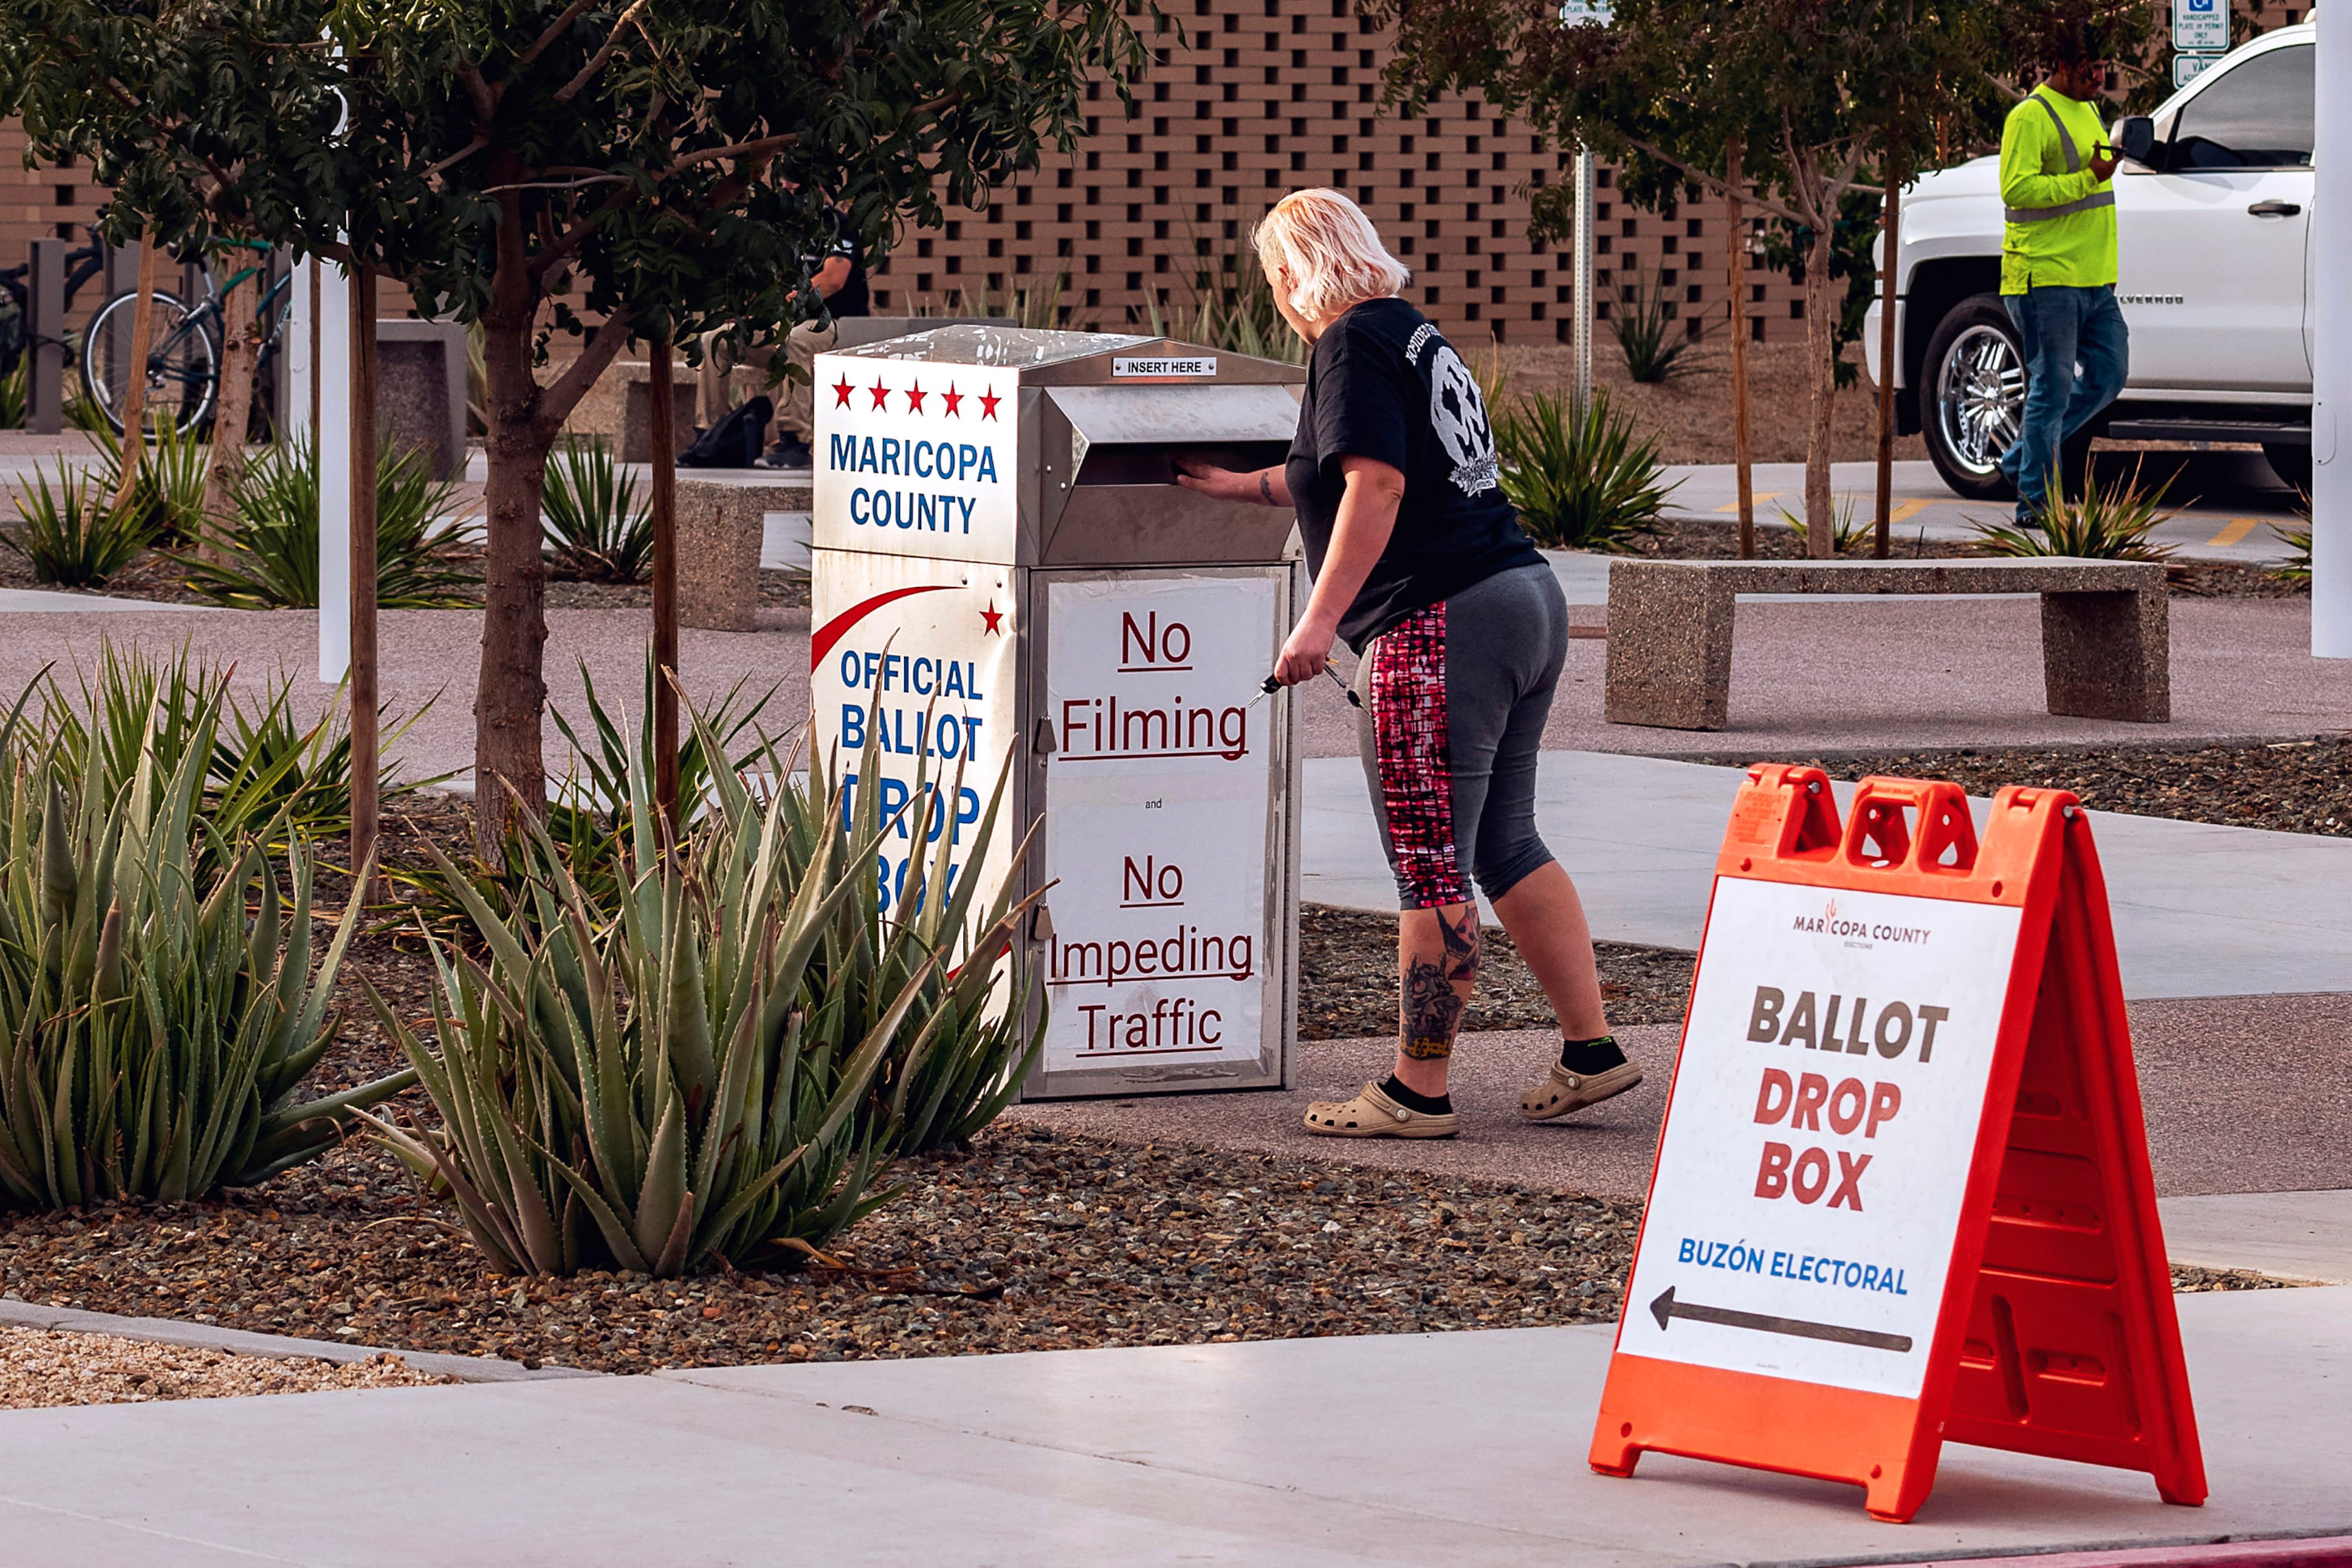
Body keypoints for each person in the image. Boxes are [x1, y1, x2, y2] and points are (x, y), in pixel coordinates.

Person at [1175, 188, 1637, 1140]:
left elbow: (1375, 485)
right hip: (1520, 598)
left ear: (1296, 272)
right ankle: (1591, 1049)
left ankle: (1414, 1092)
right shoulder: (1410, 335)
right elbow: (1332, 471)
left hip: (1438, 623)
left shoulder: (1346, 343)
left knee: (1429, 865)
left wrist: (1317, 623)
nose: (1277, 297)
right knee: (1505, 841)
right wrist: (1235, 485)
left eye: (1274, 278)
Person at [1996, 34, 2127, 522]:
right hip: (2045, 276)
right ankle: (2034, 503)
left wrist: (2108, 270)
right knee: (2050, 389)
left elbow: (2096, 200)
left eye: (2102, 66)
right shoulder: (2031, 116)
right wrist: (2089, 176)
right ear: (2060, 64)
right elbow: (2016, 187)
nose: (2099, 78)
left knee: (2110, 375)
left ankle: (2019, 461)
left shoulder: (2089, 111)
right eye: (2089, 67)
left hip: (2093, 279)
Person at [697, 216, 869, 470]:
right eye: (782, 180)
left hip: (837, 325)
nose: (787, 185)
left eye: (796, 179)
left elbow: (834, 279)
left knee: (794, 340)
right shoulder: (782, 228)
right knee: (715, 339)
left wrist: (782, 303)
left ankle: (795, 440)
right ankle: (713, 436)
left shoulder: (839, 226)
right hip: (788, 324)